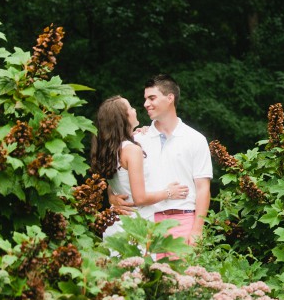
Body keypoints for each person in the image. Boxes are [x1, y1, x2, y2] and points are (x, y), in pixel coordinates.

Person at [109, 74, 213, 245]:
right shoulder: (137, 140)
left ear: (170, 98)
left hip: (183, 221)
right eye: (145, 99)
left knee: (180, 273)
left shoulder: (196, 139)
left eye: (152, 98)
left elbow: (203, 189)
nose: (145, 104)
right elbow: (116, 176)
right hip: (146, 223)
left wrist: (197, 229)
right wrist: (112, 197)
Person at [90, 95, 188, 239]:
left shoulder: (111, 149)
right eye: (130, 107)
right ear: (123, 117)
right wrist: (169, 192)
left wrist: (112, 197)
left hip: (116, 224)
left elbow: (116, 181)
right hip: (136, 226)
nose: (135, 109)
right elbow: (140, 198)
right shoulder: (131, 150)